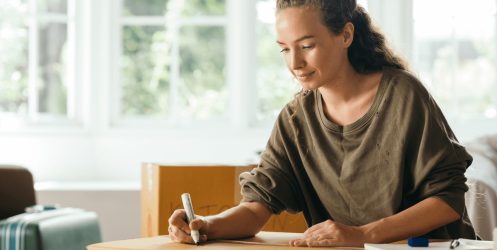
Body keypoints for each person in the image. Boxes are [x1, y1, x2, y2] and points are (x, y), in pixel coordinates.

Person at [168, 0, 477, 247]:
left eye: (307, 46)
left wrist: (363, 235)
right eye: (285, 49)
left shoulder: (403, 95)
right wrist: (206, 226)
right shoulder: (295, 118)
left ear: (345, 35)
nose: (294, 63)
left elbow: (447, 199)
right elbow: (256, 207)